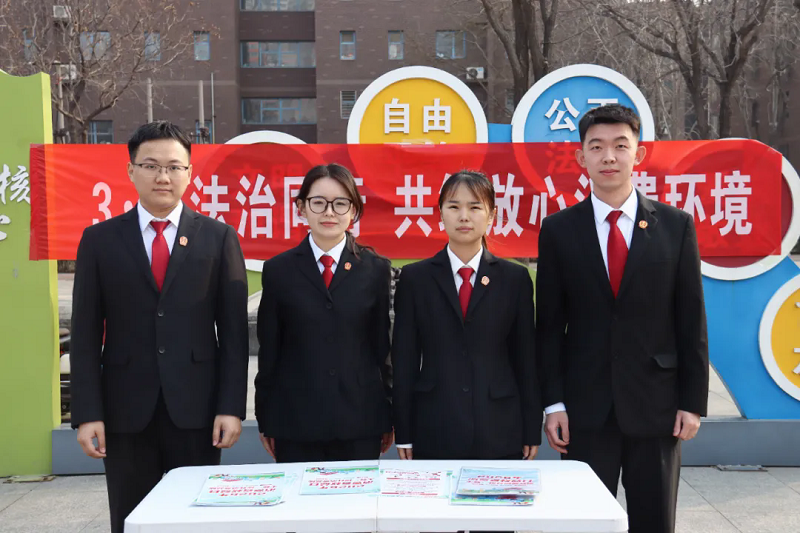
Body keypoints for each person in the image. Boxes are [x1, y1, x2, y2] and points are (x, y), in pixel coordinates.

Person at [536, 104, 709, 533]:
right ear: (581, 157)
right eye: (596, 147)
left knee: (654, 522)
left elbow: (691, 320)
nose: (609, 156)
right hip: (584, 409)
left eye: (620, 145)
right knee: (583, 524)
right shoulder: (558, 230)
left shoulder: (675, 226)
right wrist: (554, 404)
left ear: (639, 154)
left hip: (657, 406)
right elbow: (549, 327)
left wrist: (692, 402)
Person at [70, 121, 249, 533]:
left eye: (173, 166)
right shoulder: (99, 240)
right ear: (131, 170)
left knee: (196, 520)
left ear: (189, 173)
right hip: (124, 411)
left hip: (197, 410)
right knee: (132, 519)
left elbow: (234, 336)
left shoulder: (218, 238)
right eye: (150, 165)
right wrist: (88, 413)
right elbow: (84, 334)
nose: (162, 176)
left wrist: (230, 407)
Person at [392, 170, 541, 461]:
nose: (464, 216)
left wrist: (530, 428)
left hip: (499, 424)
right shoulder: (415, 279)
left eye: (474, 207)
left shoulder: (514, 279)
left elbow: (525, 359)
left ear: (491, 215)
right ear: (440, 214)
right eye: (454, 206)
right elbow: (405, 360)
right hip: (434, 423)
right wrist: (404, 430)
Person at [255, 163, 393, 462]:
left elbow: (381, 349)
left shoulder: (375, 269)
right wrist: (266, 416)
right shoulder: (279, 270)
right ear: (301, 208)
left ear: (353, 210)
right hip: (296, 422)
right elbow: (270, 350)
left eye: (340, 203)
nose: (329, 212)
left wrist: (388, 413)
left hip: (360, 420)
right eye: (318, 202)